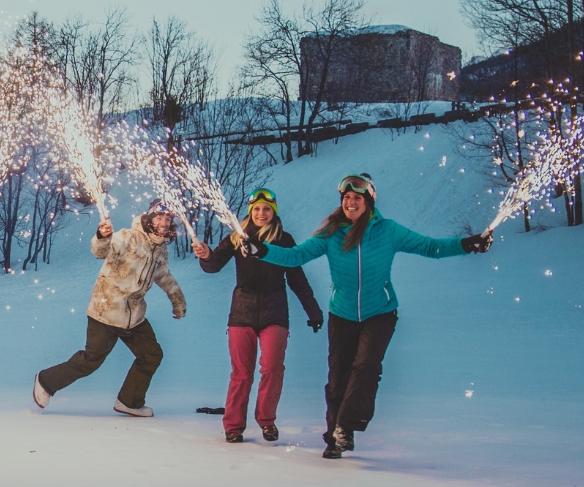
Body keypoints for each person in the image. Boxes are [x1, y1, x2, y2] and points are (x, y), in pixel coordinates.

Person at [240, 173, 492, 459]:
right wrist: (262, 250)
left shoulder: (387, 230)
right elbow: (296, 256)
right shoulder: (331, 232)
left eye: (356, 198)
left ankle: (346, 428)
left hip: (379, 312)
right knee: (338, 378)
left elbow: (429, 246)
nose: (350, 202)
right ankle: (334, 438)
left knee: (366, 366)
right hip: (342, 313)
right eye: (346, 198)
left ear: (369, 202)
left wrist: (467, 244)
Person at [32, 199, 187, 417]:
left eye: (168, 218)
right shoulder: (128, 237)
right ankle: (46, 381)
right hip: (106, 310)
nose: (164, 221)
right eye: (159, 217)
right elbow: (101, 250)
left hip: (133, 315)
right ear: (150, 219)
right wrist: (103, 236)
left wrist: (178, 302)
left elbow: (165, 278)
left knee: (152, 355)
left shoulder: (160, 251)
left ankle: (129, 401)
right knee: (91, 360)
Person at [191, 187, 323, 444]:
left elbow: (297, 278)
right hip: (242, 312)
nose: (261, 213)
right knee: (241, 373)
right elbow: (214, 265)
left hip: (275, 313)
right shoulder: (237, 237)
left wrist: (313, 311)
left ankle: (267, 421)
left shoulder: (284, 239)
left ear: (274, 212)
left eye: (266, 209)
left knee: (272, 368)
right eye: (257, 209)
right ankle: (233, 426)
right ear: (251, 211)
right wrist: (206, 257)